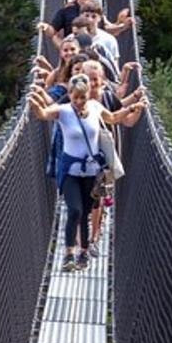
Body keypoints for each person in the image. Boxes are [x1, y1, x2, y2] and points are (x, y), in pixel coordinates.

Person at [30, 74, 148, 272]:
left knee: (85, 213)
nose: (78, 101)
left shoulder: (95, 107)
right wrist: (34, 101)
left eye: (81, 97)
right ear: (70, 95)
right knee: (74, 210)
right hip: (69, 171)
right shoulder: (63, 111)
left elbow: (113, 118)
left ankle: (83, 251)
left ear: (87, 95)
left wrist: (131, 108)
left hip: (92, 172)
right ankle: (68, 253)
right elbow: (42, 114)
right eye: (74, 97)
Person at [79, 60, 146, 256]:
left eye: (95, 79)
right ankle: (81, 242)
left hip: (104, 159)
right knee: (83, 201)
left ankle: (93, 238)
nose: (92, 83)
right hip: (81, 157)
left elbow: (127, 121)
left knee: (97, 199)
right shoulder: (75, 99)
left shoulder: (108, 98)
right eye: (88, 80)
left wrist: (138, 110)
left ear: (102, 80)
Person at [39, 0, 134, 49]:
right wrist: (45, 27)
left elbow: (107, 29)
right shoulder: (66, 11)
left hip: (95, 51)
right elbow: (53, 31)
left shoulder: (96, 9)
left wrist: (123, 26)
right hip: (75, 53)